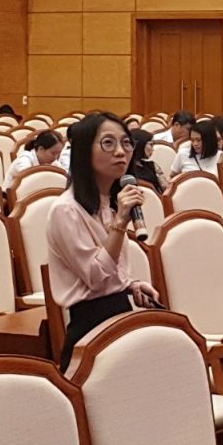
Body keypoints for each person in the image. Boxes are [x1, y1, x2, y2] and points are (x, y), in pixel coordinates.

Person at [45, 112, 161, 371]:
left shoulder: (110, 203)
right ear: (85, 151)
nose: (121, 152)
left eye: (126, 143)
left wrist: (130, 284)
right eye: (108, 143)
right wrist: (120, 223)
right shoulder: (66, 210)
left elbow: (109, 268)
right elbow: (96, 277)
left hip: (120, 312)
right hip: (90, 325)